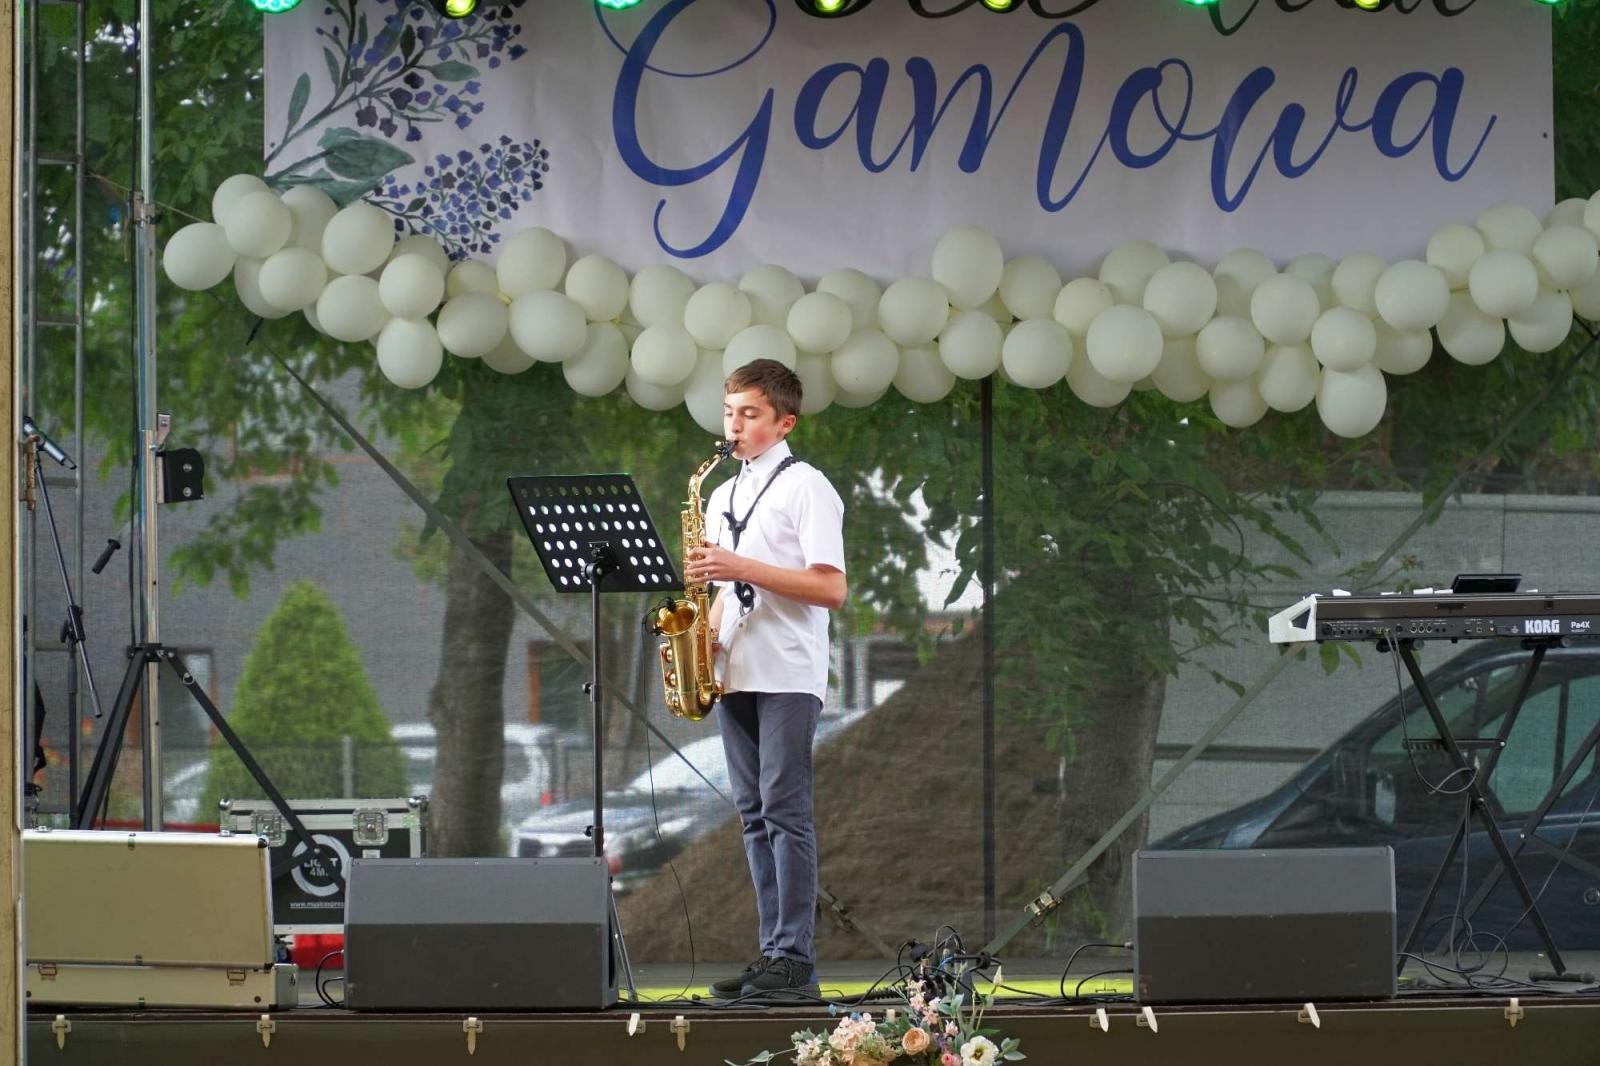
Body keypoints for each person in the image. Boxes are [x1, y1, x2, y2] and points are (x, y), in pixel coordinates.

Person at [687, 358, 847, 1000]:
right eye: (729, 413)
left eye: (749, 414)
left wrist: (739, 564)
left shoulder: (807, 485)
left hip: (786, 668)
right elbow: (729, 590)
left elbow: (829, 588)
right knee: (753, 815)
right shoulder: (723, 494)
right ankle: (772, 953)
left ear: (785, 422)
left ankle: (796, 961)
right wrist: (697, 645)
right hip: (736, 668)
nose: (734, 426)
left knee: (785, 809)